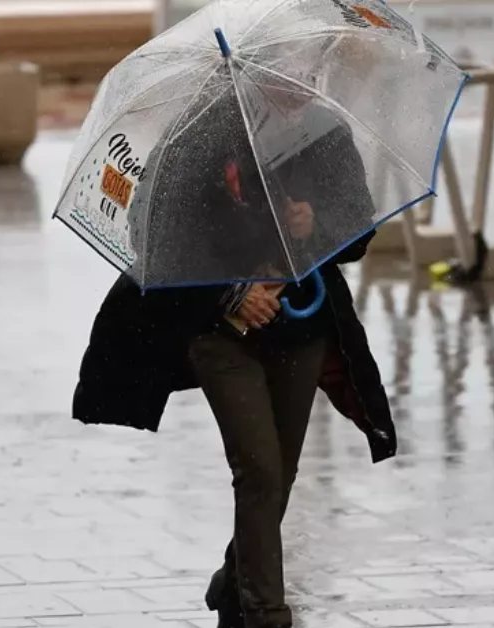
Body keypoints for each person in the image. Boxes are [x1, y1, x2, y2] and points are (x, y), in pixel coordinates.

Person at [71, 65, 397, 628]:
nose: (299, 80)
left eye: (306, 68)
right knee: (260, 469)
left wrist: (313, 226)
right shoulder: (200, 132)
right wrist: (230, 296)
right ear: (252, 73)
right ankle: (267, 614)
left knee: (282, 473)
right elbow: (156, 235)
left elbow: (358, 232)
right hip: (217, 332)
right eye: (286, 70)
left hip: (301, 326)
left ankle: (234, 580)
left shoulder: (325, 132)